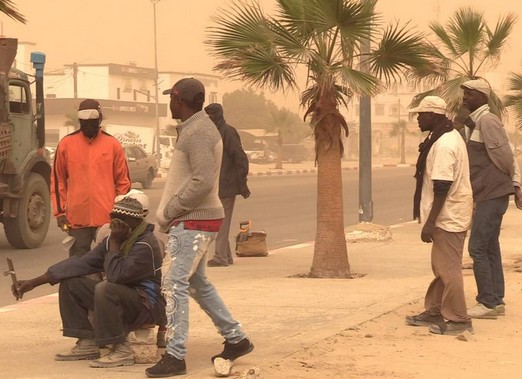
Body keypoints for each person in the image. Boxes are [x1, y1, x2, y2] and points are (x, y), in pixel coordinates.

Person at [146, 78, 253, 378]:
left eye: (171, 98)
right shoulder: (197, 128)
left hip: (192, 220)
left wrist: (169, 210)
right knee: (197, 283)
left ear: (179, 101)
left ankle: (175, 356)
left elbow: (202, 180)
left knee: (173, 284)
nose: (169, 103)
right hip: (197, 219)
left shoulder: (198, 132)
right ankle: (237, 340)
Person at [11, 197, 165, 368]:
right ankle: (87, 342)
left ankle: (122, 350)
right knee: (71, 282)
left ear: (135, 222)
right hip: (120, 297)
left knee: (105, 288)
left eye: (122, 221)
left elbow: (116, 276)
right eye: (113, 219)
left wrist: (114, 243)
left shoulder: (145, 244)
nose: (115, 225)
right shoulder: (113, 240)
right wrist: (34, 282)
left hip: (146, 305)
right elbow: (81, 263)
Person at [404, 96, 474, 335]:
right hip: (450, 213)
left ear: (432, 115)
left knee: (449, 269)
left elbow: (442, 186)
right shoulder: (445, 136)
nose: (417, 120)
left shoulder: (444, 144)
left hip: (448, 216)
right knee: (441, 266)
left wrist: (430, 223)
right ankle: (434, 310)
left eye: (420, 115)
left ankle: (459, 320)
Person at [460, 79, 522, 319]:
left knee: (477, 247)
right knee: (490, 246)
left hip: (492, 193)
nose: (465, 98)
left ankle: (486, 302)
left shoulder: (487, 121)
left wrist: (515, 184)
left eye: (470, 94)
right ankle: (495, 301)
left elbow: (506, 155)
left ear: (483, 97)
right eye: (464, 94)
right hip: (487, 193)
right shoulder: (474, 122)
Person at [51, 98, 131, 257]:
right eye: (84, 122)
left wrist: (121, 214)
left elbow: (123, 182)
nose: (88, 126)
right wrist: (60, 213)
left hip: (107, 218)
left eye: (93, 122)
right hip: (77, 219)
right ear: (80, 121)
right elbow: (58, 180)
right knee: (78, 266)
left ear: (99, 119)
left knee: (110, 261)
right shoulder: (66, 145)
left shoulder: (112, 144)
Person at [204, 103, 251, 267]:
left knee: (221, 223)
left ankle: (220, 257)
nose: (209, 118)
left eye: (212, 115)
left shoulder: (228, 132)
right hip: (214, 187)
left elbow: (240, 158)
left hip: (226, 186)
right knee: (220, 221)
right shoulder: (211, 133)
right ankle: (226, 256)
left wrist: (242, 183)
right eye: (207, 115)